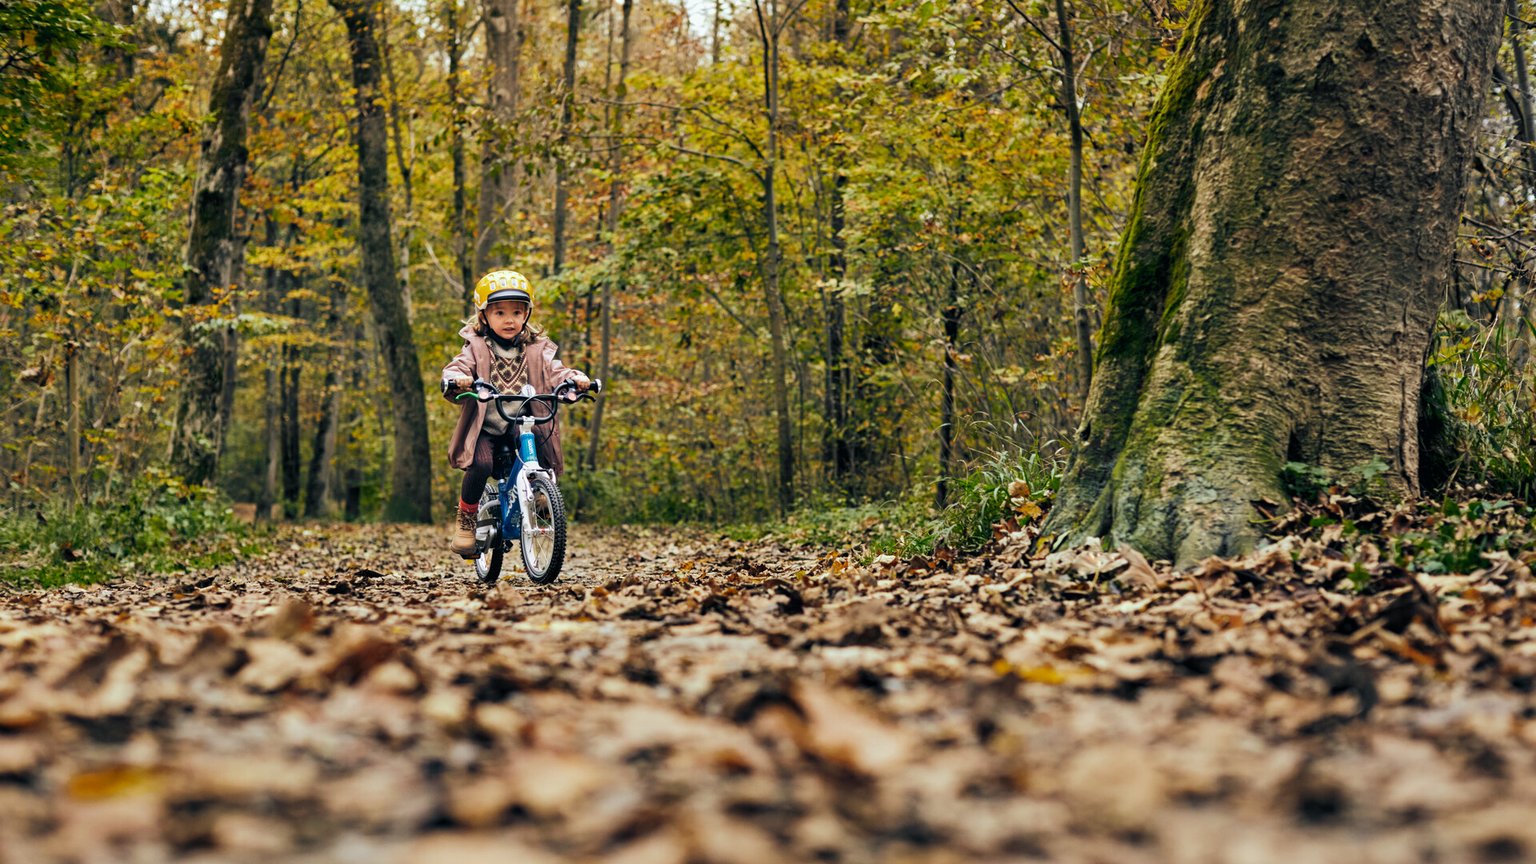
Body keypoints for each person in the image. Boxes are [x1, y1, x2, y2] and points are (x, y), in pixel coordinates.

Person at [441, 269, 590, 556]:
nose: (509, 320)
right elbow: (458, 366)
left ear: (527, 315)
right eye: (499, 313)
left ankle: (541, 498)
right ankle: (467, 519)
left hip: (520, 421)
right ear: (484, 316)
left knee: (539, 442)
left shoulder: (536, 349)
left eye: (517, 312)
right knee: (481, 463)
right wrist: (458, 378)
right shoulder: (477, 347)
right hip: (488, 425)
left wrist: (574, 379)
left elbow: (555, 370)